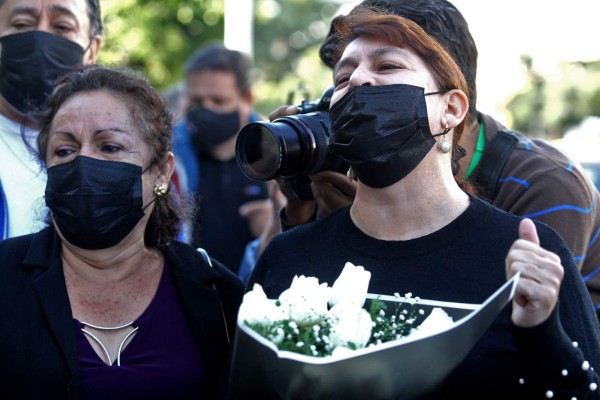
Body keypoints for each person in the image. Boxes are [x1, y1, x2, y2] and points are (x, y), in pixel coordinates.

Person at [248, 10, 600, 398]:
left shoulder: (529, 252)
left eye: (388, 66)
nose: (360, 80)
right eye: (343, 78)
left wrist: (541, 330)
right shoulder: (290, 254)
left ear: (450, 109)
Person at [0, 66, 244, 399]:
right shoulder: (5, 275)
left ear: (161, 172)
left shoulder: (216, 292)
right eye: (64, 151)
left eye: (110, 147)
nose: (83, 161)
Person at [0, 0, 102, 240]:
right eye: (22, 23)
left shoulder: (125, 152)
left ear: (93, 49)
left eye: (63, 26)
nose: (40, 38)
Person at [172, 43, 271, 272]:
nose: (206, 110)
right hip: (190, 291)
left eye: (218, 101)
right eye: (197, 102)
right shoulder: (169, 157)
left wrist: (278, 223)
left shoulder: (277, 157)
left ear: (246, 98)